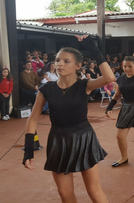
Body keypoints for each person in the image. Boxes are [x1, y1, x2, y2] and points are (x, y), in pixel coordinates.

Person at [23, 35, 113, 203]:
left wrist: (93, 48)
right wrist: (29, 149)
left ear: (78, 66)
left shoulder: (84, 85)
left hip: (84, 138)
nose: (59, 64)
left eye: (66, 61)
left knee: (94, 191)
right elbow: (32, 119)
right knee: (65, 194)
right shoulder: (46, 89)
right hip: (58, 140)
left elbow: (109, 78)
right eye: (57, 60)